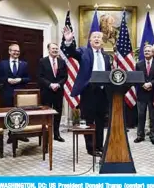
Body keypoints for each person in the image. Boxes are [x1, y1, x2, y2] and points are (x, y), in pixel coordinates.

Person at [62, 27, 112, 157]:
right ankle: (91, 148)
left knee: (101, 122)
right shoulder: (84, 52)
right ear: (90, 41)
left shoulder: (106, 57)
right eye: (94, 37)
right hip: (89, 91)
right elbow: (71, 52)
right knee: (89, 121)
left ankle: (100, 146)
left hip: (103, 93)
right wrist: (68, 41)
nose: (96, 39)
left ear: (102, 41)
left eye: (99, 37)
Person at [0, 43, 30, 143]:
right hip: (7, 93)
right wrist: (7, 79)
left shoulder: (24, 64)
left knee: (21, 113)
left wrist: (20, 79)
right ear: (9, 51)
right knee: (10, 114)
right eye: (14, 51)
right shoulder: (3, 64)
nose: (16, 53)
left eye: (18, 51)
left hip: (20, 94)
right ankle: (11, 135)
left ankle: (20, 134)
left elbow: (28, 78)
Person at [38, 43, 68, 142]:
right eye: (53, 48)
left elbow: (65, 77)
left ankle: (56, 134)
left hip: (58, 92)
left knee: (57, 113)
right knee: (46, 113)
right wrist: (50, 84)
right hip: (46, 91)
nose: (55, 50)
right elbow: (40, 77)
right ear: (48, 50)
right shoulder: (42, 61)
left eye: (56, 48)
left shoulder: (62, 62)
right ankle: (46, 134)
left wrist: (58, 84)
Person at [134, 44, 154, 145]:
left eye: (149, 51)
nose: (147, 52)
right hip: (141, 94)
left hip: (153, 94)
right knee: (141, 115)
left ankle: (153, 136)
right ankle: (140, 135)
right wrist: (143, 84)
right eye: (145, 51)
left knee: (153, 116)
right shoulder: (139, 64)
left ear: (153, 52)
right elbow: (137, 77)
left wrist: (150, 83)